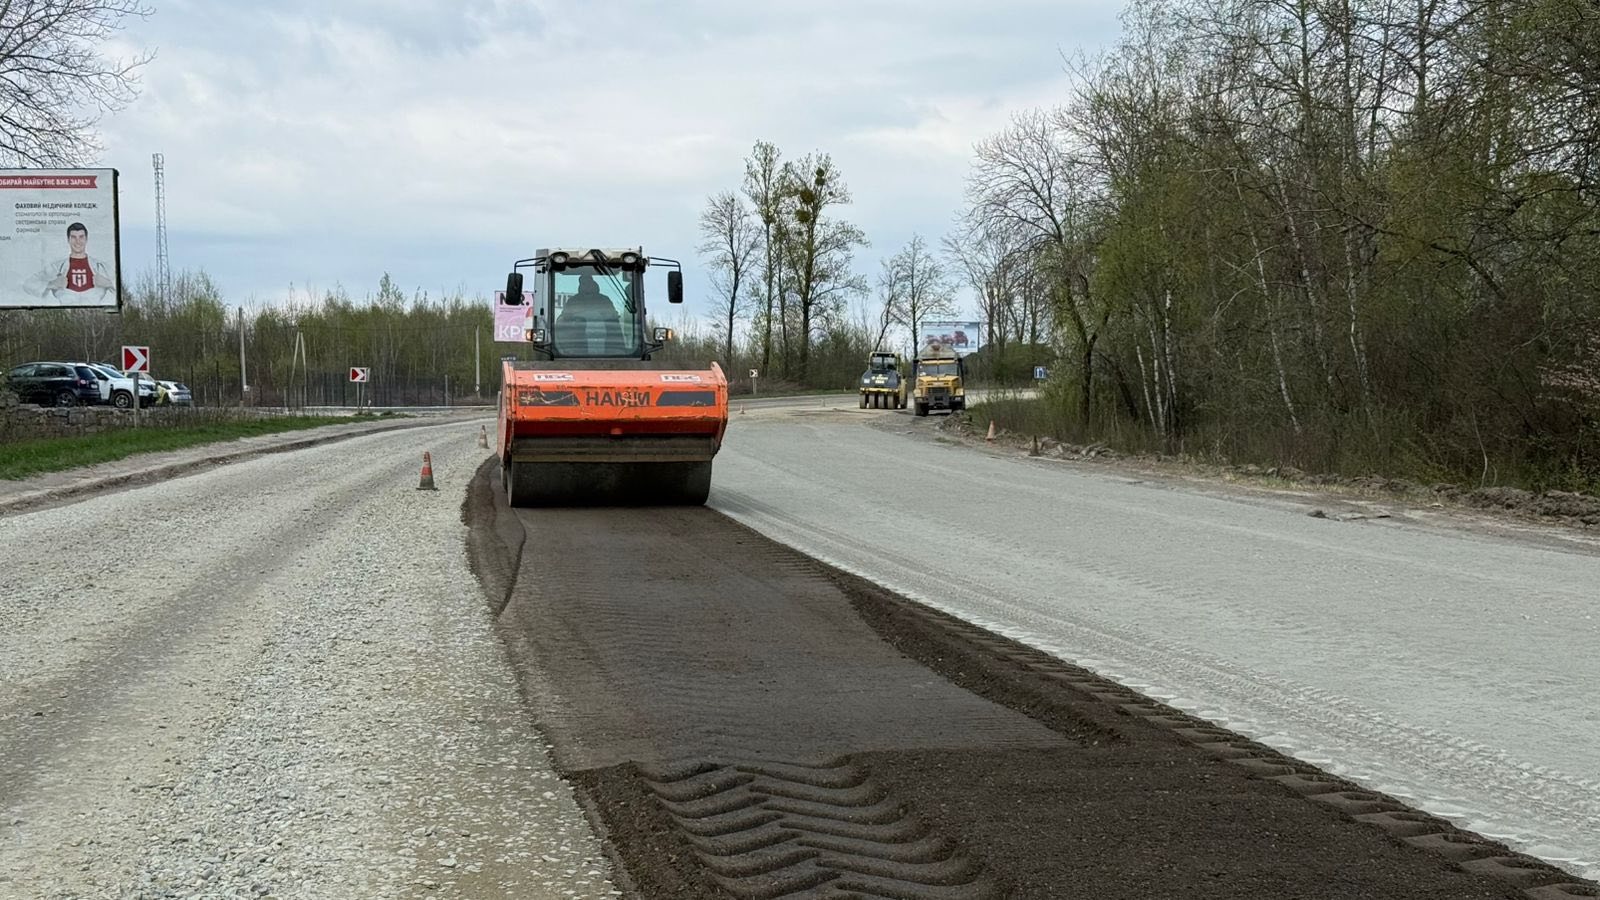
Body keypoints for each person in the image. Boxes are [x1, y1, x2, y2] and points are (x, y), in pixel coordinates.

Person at [26, 222, 116, 304]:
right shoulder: (57, 267)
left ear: (86, 239)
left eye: (81, 237)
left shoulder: (100, 267)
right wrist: (51, 284)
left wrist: (108, 283)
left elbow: (121, 289)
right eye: (73, 237)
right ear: (68, 240)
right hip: (65, 314)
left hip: (95, 314)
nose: (78, 241)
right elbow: (28, 284)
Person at [556, 273, 623, 352]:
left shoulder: (604, 300)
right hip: (578, 341)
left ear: (593, 284)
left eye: (588, 283)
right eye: (584, 284)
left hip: (606, 342)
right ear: (580, 286)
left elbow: (613, 317)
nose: (587, 286)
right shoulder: (573, 301)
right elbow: (565, 317)